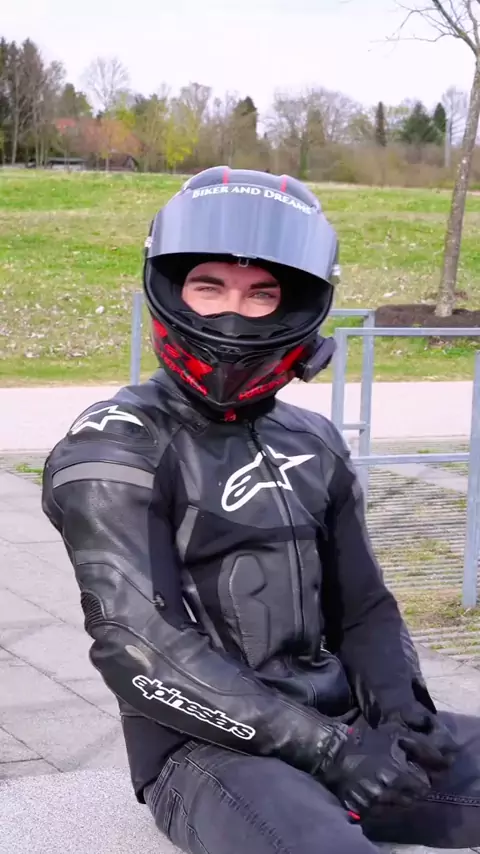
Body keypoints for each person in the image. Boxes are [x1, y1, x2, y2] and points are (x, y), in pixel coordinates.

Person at [41, 167, 480, 854]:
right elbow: (137, 643)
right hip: (207, 754)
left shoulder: (315, 440)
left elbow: (363, 606)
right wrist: (332, 752)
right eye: (209, 285)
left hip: (348, 730)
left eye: (261, 293)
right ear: (172, 289)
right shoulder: (115, 446)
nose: (232, 312)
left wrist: (401, 711)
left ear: (295, 304)